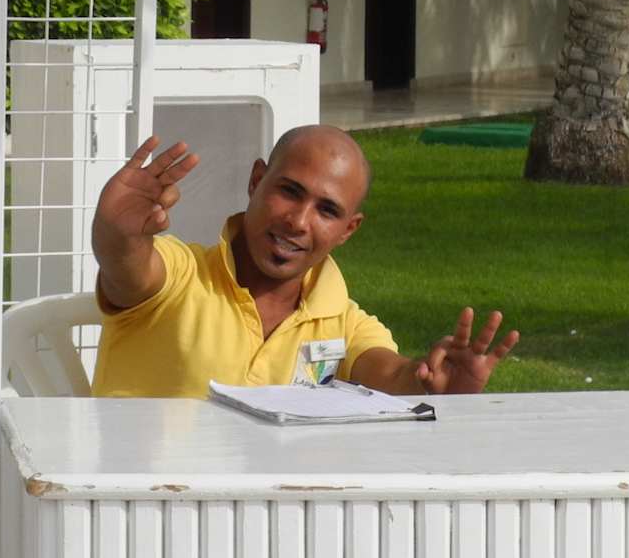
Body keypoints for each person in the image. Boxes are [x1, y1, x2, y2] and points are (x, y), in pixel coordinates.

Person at [86, 125, 520, 399]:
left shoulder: (345, 324)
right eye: (289, 191)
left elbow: (394, 377)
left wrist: (436, 384)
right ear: (256, 180)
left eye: (327, 210)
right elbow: (127, 264)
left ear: (348, 229)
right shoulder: (180, 274)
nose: (297, 221)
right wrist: (115, 228)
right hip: (127, 508)